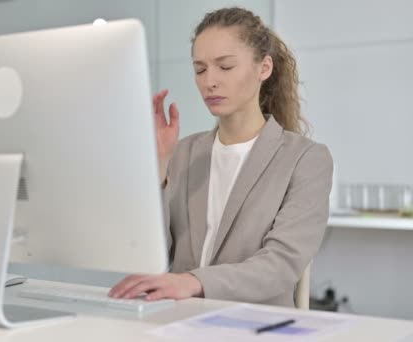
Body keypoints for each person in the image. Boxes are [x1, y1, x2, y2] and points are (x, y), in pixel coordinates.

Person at [109, 7, 333, 307]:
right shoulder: (183, 152)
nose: (209, 81)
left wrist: (193, 282)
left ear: (263, 68)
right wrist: (159, 167)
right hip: (178, 320)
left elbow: (280, 266)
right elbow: (147, 257)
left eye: (225, 67)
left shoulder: (306, 159)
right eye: (200, 69)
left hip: (256, 324)